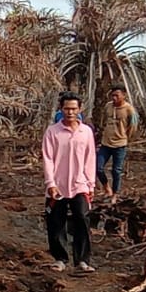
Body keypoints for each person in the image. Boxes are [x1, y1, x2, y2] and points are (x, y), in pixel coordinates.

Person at [42, 93, 97, 273]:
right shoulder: (52, 132)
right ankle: (60, 258)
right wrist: (51, 183)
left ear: (80, 109)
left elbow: (90, 158)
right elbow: (48, 158)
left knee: (82, 218)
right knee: (56, 222)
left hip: (80, 184)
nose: (70, 112)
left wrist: (90, 185)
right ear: (61, 109)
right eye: (67, 108)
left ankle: (82, 260)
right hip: (57, 185)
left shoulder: (86, 132)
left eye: (74, 108)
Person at [97, 84, 139, 204]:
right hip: (106, 143)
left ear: (124, 95)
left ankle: (115, 194)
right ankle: (107, 188)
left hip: (119, 144)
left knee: (116, 170)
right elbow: (103, 120)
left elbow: (133, 126)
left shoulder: (129, 109)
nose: (114, 98)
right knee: (98, 168)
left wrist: (125, 137)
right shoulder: (108, 106)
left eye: (117, 95)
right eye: (113, 95)